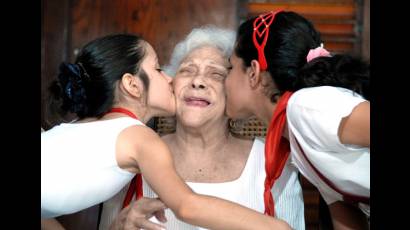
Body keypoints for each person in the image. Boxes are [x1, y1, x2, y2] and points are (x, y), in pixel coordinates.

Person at [41, 33, 290, 230]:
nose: (171, 79)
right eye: (162, 70)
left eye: (215, 73)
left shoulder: (87, 128)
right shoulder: (140, 140)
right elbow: (187, 205)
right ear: (132, 85)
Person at [100, 26, 305, 230]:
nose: (198, 81)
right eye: (187, 70)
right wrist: (117, 227)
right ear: (170, 85)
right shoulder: (131, 157)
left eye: (216, 74)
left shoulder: (273, 162)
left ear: (233, 91)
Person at [224, 10, 370, 229]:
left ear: (253, 72)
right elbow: (345, 212)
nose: (224, 80)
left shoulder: (306, 107)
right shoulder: (296, 139)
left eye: (230, 67)